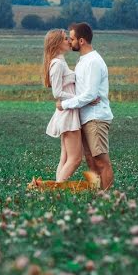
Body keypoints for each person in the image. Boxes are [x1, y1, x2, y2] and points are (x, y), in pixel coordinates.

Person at [56, 22, 114, 190]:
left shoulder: (93, 62)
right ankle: (96, 195)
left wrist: (64, 104)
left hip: (96, 117)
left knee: (101, 161)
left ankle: (106, 197)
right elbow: (85, 93)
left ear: (81, 41)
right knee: (90, 161)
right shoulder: (84, 61)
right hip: (86, 116)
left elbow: (90, 94)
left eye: (72, 38)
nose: (69, 41)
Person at [43, 28, 87, 182]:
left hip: (69, 111)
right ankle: (56, 190)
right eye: (65, 39)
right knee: (75, 159)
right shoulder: (57, 64)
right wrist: (81, 98)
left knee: (65, 157)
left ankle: (55, 192)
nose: (69, 41)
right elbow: (57, 93)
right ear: (56, 43)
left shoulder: (61, 62)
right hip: (67, 113)